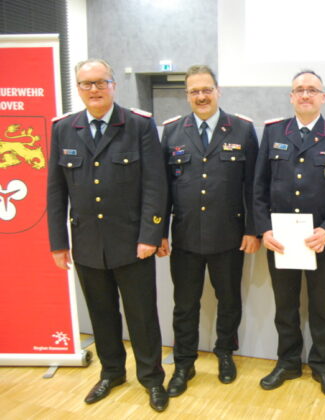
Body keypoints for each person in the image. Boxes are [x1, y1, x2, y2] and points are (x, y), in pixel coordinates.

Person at [47, 58, 169, 412]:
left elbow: (154, 185)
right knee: (101, 315)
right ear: (79, 89)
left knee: (142, 316)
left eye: (101, 82)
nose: (94, 90)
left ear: (114, 85)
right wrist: (58, 242)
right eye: (87, 84)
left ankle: (151, 379)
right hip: (86, 244)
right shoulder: (63, 128)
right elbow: (56, 191)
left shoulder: (138, 125)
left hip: (134, 243)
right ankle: (112, 372)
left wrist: (151, 233)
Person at [253, 70, 325, 397]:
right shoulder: (273, 132)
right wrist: (263, 229)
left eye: (312, 90)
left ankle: (322, 366)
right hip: (281, 240)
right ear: (291, 96)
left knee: (321, 307)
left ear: (323, 97)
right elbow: (258, 188)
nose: (305, 95)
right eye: (299, 90)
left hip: (321, 240)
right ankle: (287, 362)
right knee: (285, 305)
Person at [157, 65, 260, 396]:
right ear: (187, 95)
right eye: (193, 91)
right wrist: (160, 231)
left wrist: (252, 229)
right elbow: (163, 187)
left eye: (206, 89)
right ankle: (184, 362)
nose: (201, 96)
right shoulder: (172, 131)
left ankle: (225, 353)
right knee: (184, 304)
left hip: (229, 235)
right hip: (185, 236)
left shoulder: (242, 130)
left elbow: (253, 186)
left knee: (228, 299)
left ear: (218, 91)